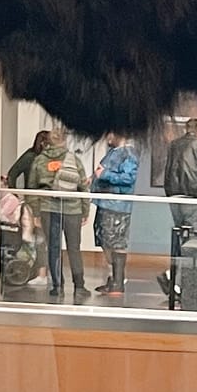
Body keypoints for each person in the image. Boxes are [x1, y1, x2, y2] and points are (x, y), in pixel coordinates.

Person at [27, 127, 91, 301]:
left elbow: (31, 188)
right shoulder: (74, 160)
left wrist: (36, 212)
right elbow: (83, 187)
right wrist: (85, 210)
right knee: (74, 248)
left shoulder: (40, 160)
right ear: (64, 141)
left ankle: (57, 286)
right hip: (72, 209)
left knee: (53, 248)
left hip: (48, 208)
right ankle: (79, 286)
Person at [161, 116, 197, 303]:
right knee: (193, 241)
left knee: (180, 239)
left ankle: (173, 276)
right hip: (191, 197)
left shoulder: (174, 145)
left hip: (174, 197)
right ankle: (179, 283)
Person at [92, 132, 142, 297]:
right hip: (106, 204)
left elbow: (128, 178)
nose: (107, 137)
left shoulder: (128, 153)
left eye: (110, 133)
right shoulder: (115, 152)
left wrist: (104, 175)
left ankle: (118, 281)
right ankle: (113, 278)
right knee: (105, 240)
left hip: (117, 206)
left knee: (116, 242)